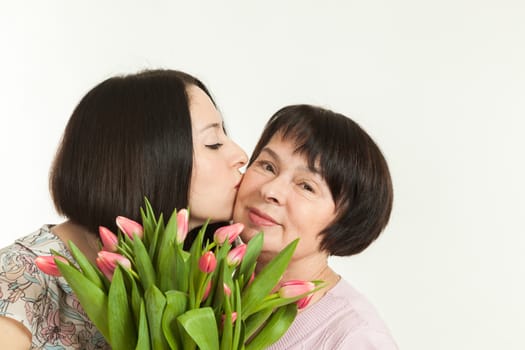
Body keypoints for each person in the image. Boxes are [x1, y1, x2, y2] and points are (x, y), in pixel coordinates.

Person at [0, 69, 248, 349]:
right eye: (213, 143)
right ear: (147, 161)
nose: (240, 155)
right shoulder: (18, 279)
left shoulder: (208, 277)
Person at [233, 104, 398, 349]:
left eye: (306, 186)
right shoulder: (210, 291)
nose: (270, 191)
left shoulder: (354, 338)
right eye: (268, 166)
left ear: (346, 221)